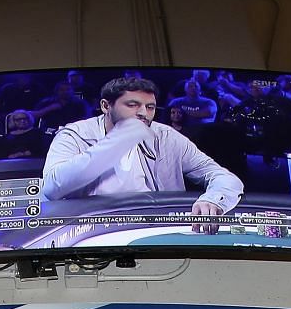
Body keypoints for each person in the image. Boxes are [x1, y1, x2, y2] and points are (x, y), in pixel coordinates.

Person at [39, 74, 244, 230]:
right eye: (132, 105)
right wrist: (119, 140)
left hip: (152, 230)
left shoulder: (166, 136)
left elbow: (223, 176)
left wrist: (212, 199)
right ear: (105, 106)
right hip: (91, 229)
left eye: (150, 107)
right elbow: (52, 187)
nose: (143, 113)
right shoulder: (74, 134)